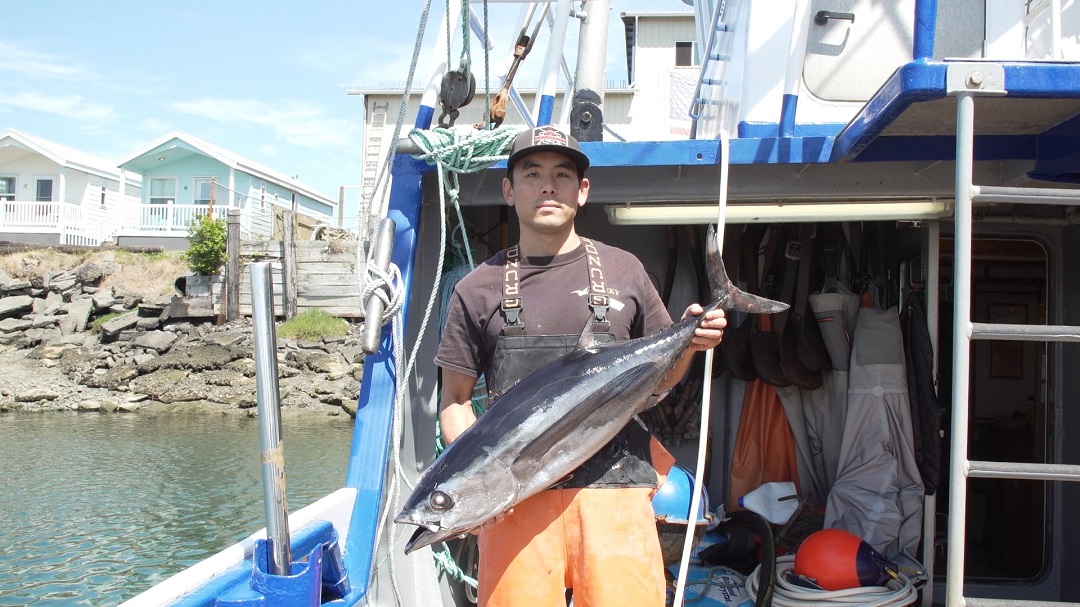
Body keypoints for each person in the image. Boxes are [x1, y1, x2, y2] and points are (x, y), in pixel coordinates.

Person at [434, 125, 727, 607]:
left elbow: (659, 385)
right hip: (514, 503)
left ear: (582, 190)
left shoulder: (625, 271)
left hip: (616, 497)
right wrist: (473, 486)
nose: (548, 186)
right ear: (509, 190)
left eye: (562, 174)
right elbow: (455, 402)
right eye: (532, 173)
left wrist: (690, 344)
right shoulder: (476, 289)